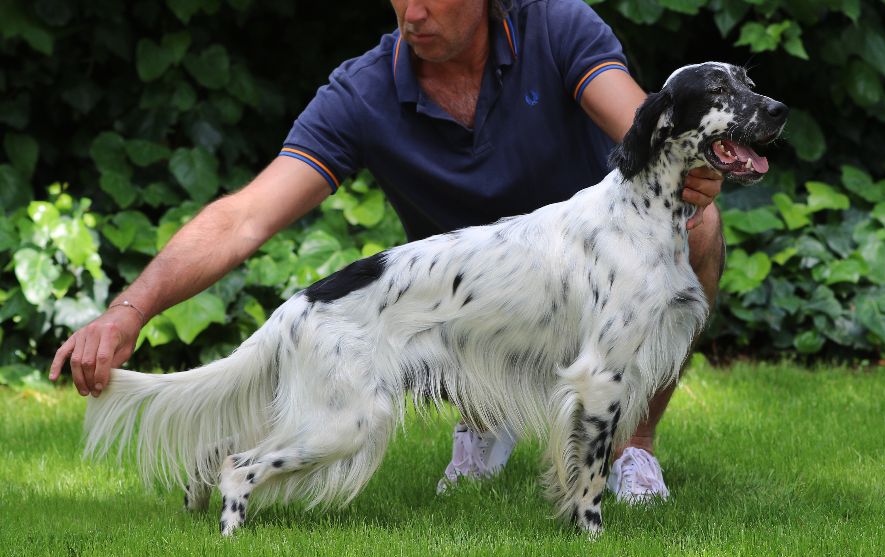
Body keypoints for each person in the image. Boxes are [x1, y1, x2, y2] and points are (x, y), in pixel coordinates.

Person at [50, 0, 724, 503]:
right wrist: (129, 309)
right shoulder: (365, 90)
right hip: (460, 300)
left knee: (700, 227)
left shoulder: (557, 26)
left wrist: (693, 168)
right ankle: (481, 418)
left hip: (594, 275)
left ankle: (633, 446)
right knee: (344, 392)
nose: (414, 12)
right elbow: (243, 218)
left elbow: (647, 129)